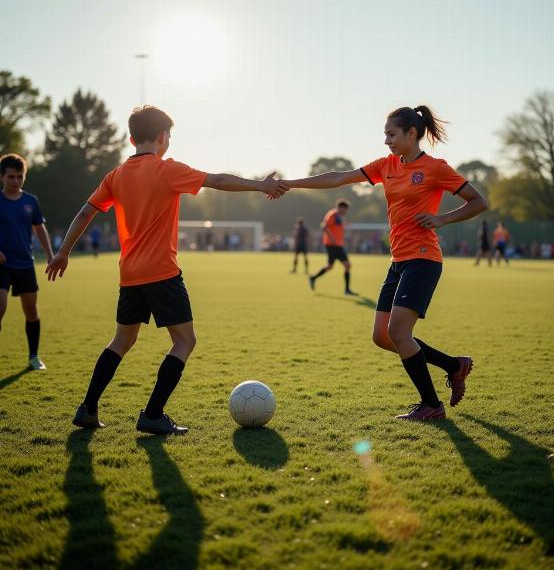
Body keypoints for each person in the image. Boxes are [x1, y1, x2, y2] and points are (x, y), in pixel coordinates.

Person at [46, 105, 288, 435]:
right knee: (185, 341)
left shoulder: (115, 176)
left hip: (129, 274)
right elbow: (215, 180)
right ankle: (153, 414)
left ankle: (87, 408)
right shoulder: (167, 169)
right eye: (169, 136)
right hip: (162, 272)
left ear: (132, 138)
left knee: (122, 340)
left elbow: (85, 213)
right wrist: (259, 186)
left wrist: (62, 252)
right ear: (163, 138)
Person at [282, 105, 487, 420]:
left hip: (423, 259)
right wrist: (291, 183)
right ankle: (453, 365)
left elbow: (478, 201)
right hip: (399, 261)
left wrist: (442, 219)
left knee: (399, 332)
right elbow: (338, 177)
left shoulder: (435, 168)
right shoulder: (385, 165)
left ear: (411, 133)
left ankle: (432, 406)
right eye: (385, 135)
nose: (387, 141)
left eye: (392, 135)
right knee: (382, 336)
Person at [0, 154, 53, 370]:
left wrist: (51, 254)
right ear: (2, 176)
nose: (15, 181)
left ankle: (33, 357)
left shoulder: (31, 201)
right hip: (2, 265)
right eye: (11, 177)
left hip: (25, 264)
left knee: (31, 310)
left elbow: (39, 229)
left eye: (19, 177)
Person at [309, 199, 357, 295]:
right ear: (341, 207)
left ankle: (347, 290)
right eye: (345, 209)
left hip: (339, 245)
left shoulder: (340, 217)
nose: (346, 212)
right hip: (331, 245)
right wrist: (332, 238)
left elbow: (338, 228)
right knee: (331, 266)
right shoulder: (332, 214)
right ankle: (313, 277)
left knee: (346, 265)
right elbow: (324, 226)